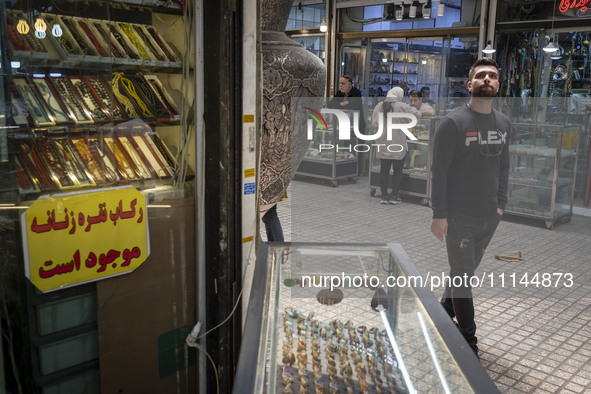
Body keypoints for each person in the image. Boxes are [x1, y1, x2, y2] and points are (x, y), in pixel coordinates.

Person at [430, 58, 511, 358]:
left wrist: (500, 205)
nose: (487, 79)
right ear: (470, 84)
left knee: (461, 274)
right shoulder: (452, 124)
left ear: (498, 85)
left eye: (492, 75)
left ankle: (440, 315)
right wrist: (438, 214)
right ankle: (468, 343)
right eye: (481, 76)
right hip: (458, 217)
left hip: (489, 216)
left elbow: (504, 166)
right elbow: (439, 172)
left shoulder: (503, 123)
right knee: (463, 276)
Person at [371, 87, 421, 205]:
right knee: (398, 171)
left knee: (384, 170)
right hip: (398, 143)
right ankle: (394, 196)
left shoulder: (379, 106)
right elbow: (417, 115)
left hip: (383, 143)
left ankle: (383, 196)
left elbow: (374, 123)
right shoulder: (402, 106)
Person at [329, 75, 367, 174]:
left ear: (349, 84)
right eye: (340, 83)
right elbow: (330, 105)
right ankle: (345, 170)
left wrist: (341, 104)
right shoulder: (339, 94)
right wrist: (342, 104)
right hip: (345, 125)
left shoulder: (356, 93)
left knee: (357, 147)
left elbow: (353, 106)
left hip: (358, 126)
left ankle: (356, 171)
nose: (341, 86)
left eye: (343, 83)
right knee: (345, 147)